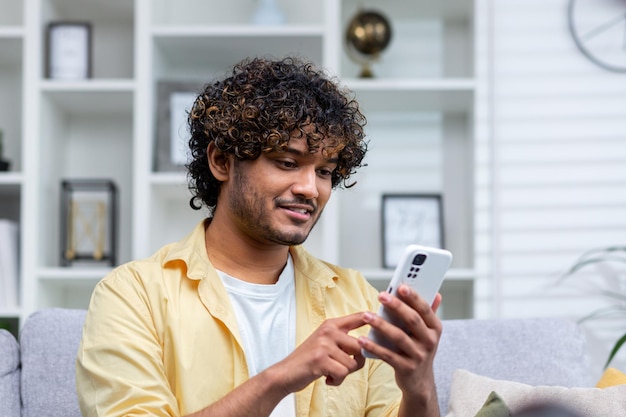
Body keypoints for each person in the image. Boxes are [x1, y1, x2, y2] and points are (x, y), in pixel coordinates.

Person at [76, 57, 443, 417]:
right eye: (287, 163)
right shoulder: (133, 295)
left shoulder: (355, 298)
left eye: (326, 172)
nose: (310, 189)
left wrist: (419, 385)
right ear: (221, 162)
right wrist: (282, 377)